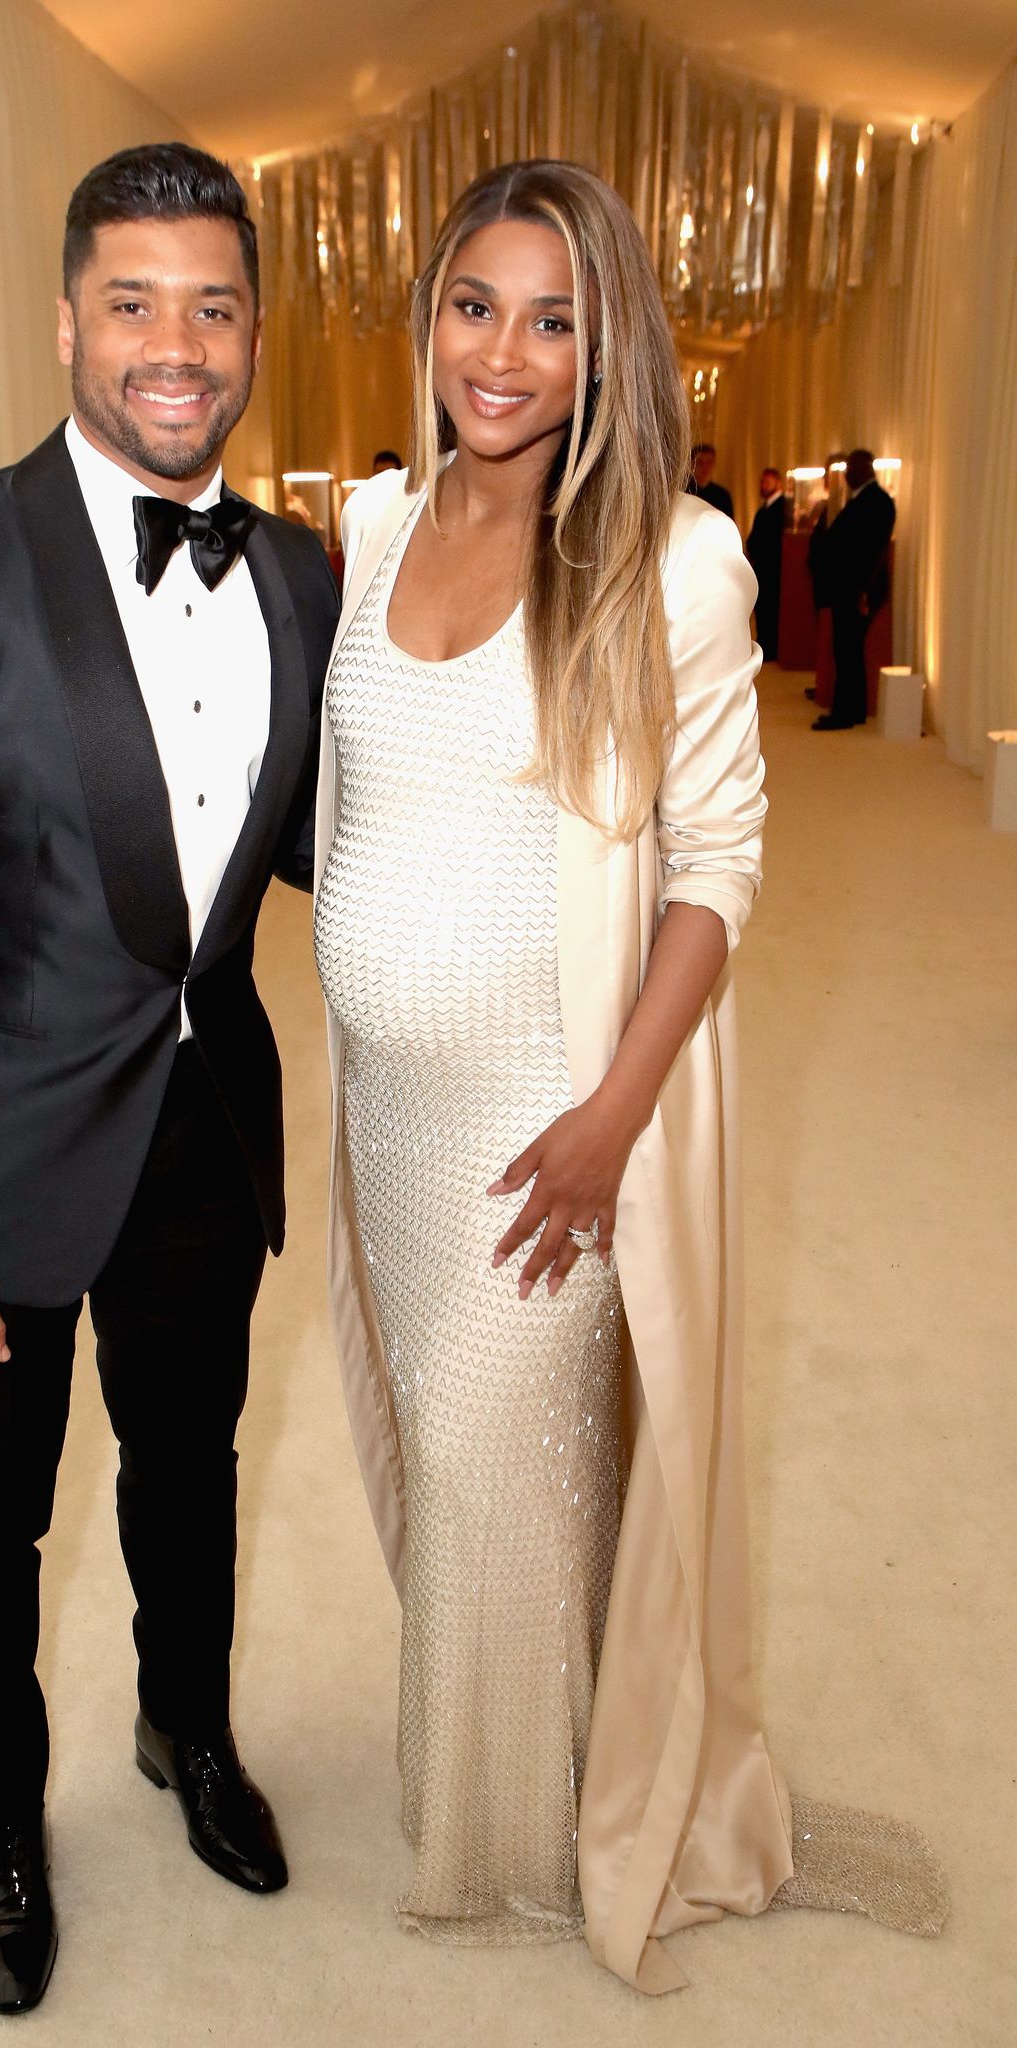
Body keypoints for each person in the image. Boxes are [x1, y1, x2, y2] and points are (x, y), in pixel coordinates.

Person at [313, 160, 945, 1995]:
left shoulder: (667, 554)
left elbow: (715, 863)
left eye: (553, 318)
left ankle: (520, 1852)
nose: (501, 353)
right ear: (427, 315)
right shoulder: (366, 527)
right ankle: (511, 1761)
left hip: (551, 1116)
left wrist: (610, 1116)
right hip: (390, 1115)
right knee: (450, 1449)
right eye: (472, 305)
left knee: (513, 1453)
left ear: (606, 352)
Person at [0, 142, 338, 2015]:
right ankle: (0, 1816)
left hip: (207, 1127)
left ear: (250, 328)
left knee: (191, 1474)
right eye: (133, 302)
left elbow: (337, 842)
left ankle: (182, 1729)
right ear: (66, 319)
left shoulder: (296, 573)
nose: (174, 346)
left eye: (211, 304)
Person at [811, 448, 897, 730]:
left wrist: (863, 591)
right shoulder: (864, 499)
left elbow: (872, 552)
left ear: (866, 469)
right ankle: (853, 709)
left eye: (851, 467)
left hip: (856, 588)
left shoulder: (878, 501)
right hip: (848, 586)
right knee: (847, 649)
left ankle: (845, 712)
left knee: (848, 649)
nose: (847, 473)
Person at [745, 465, 788, 661]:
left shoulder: (782, 507)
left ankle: (772, 648)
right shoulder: (764, 509)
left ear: (777, 483)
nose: (763, 485)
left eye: (768, 481)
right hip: (761, 567)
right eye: (762, 481)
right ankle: (766, 645)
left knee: (771, 609)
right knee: (762, 609)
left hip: (774, 568)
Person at [685, 440, 734, 517]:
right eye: (700, 462)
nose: (705, 467)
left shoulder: (722, 496)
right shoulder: (685, 492)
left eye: (709, 462)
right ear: (692, 464)